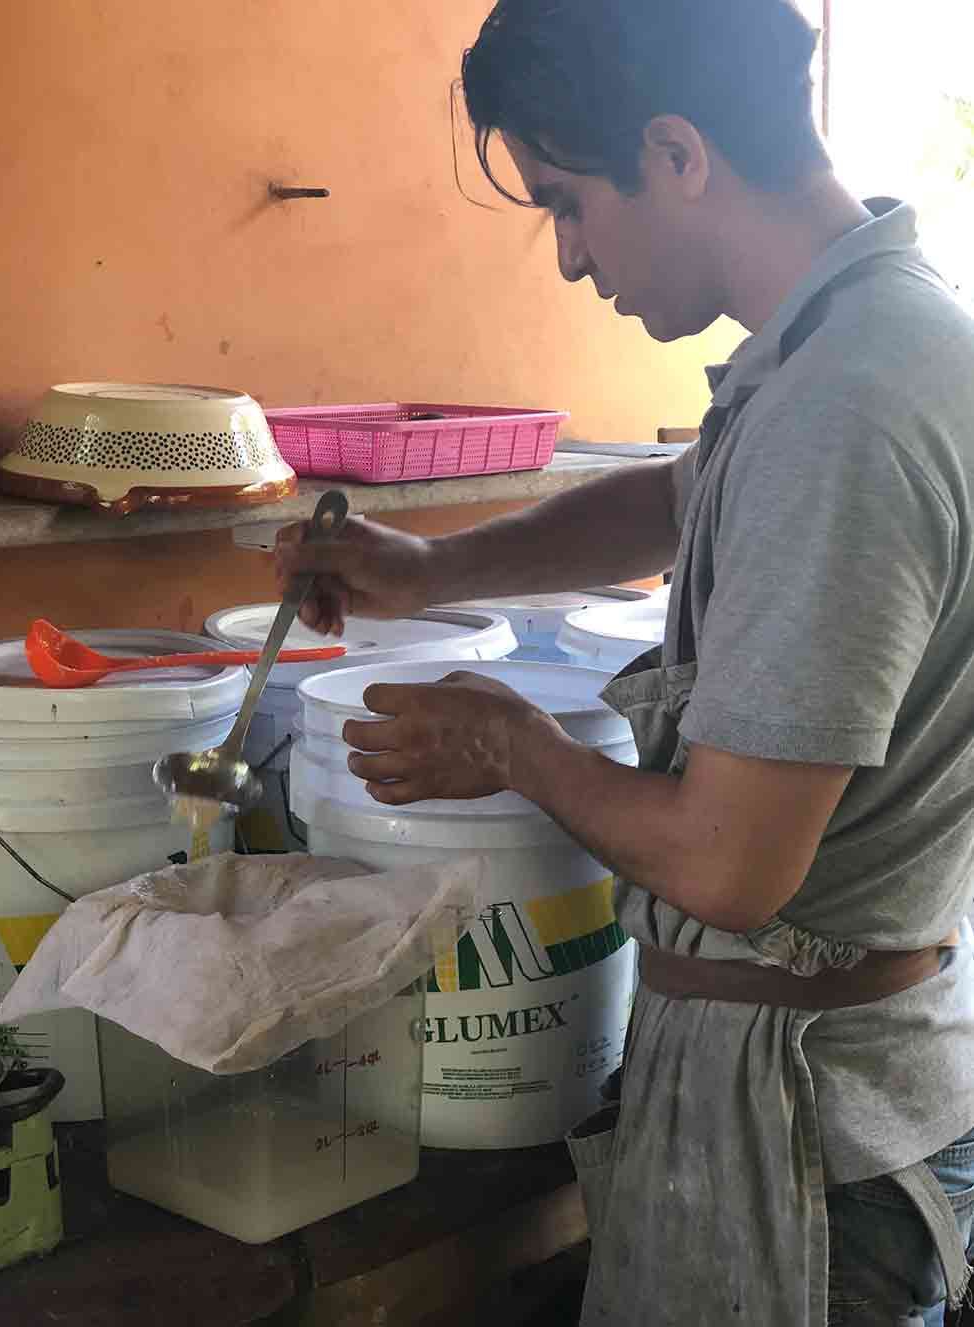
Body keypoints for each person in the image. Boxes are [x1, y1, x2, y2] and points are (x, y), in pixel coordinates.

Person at [276, 1, 974, 1321]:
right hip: (799, 1066)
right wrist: (430, 572)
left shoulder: (849, 410)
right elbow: (679, 496)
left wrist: (508, 744)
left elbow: (727, 862)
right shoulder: (856, 338)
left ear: (676, 151)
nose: (570, 259)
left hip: (806, 1131)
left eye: (569, 203)